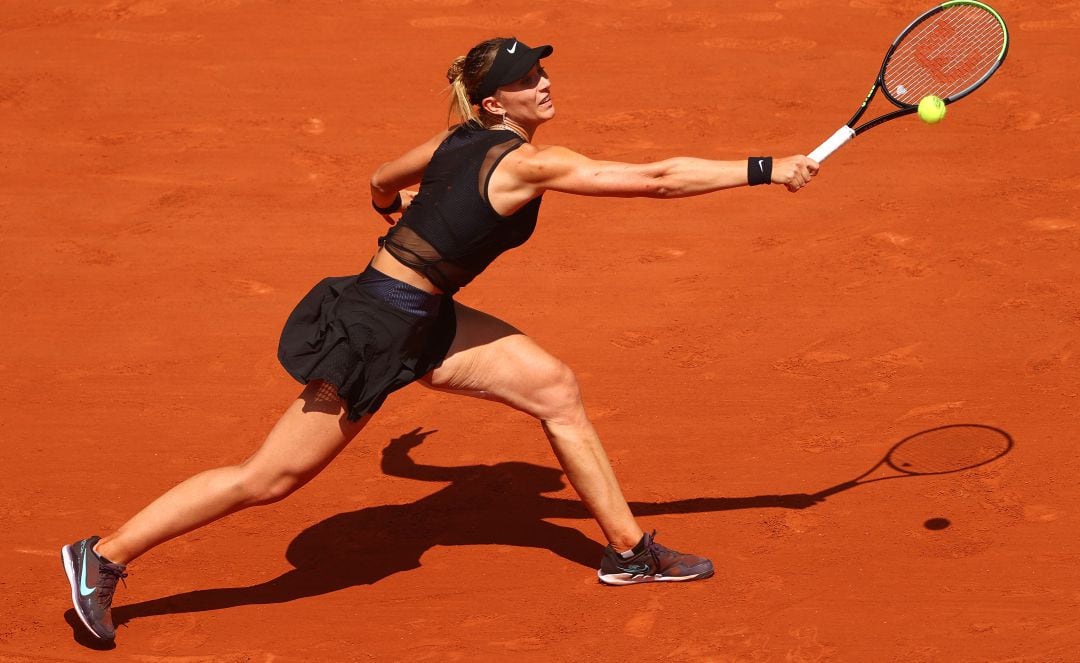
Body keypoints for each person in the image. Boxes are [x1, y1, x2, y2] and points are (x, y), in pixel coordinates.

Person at [61, 36, 819, 643]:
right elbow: (655, 178)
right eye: (529, 80)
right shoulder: (532, 161)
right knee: (269, 477)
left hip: (420, 314)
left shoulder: (461, 136)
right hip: (379, 325)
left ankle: (629, 551)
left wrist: (392, 205)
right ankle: (105, 556)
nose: (545, 84)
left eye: (543, 71)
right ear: (496, 101)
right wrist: (765, 168)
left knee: (554, 386)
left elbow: (379, 177)